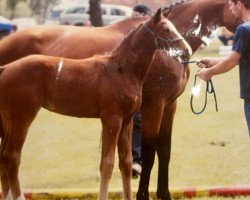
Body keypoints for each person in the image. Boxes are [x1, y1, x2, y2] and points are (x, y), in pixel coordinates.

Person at [196, 0, 250, 134]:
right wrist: (212, 61)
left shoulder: (243, 29)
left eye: (231, 4)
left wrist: (209, 72)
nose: (230, 8)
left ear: (239, 5)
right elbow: (240, 58)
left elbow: (232, 60)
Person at [130, 4, 152, 178]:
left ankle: (135, 160)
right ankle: (133, 160)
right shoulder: (127, 35)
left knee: (138, 121)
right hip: (128, 86)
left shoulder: (150, 37)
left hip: (140, 86)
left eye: (138, 16)